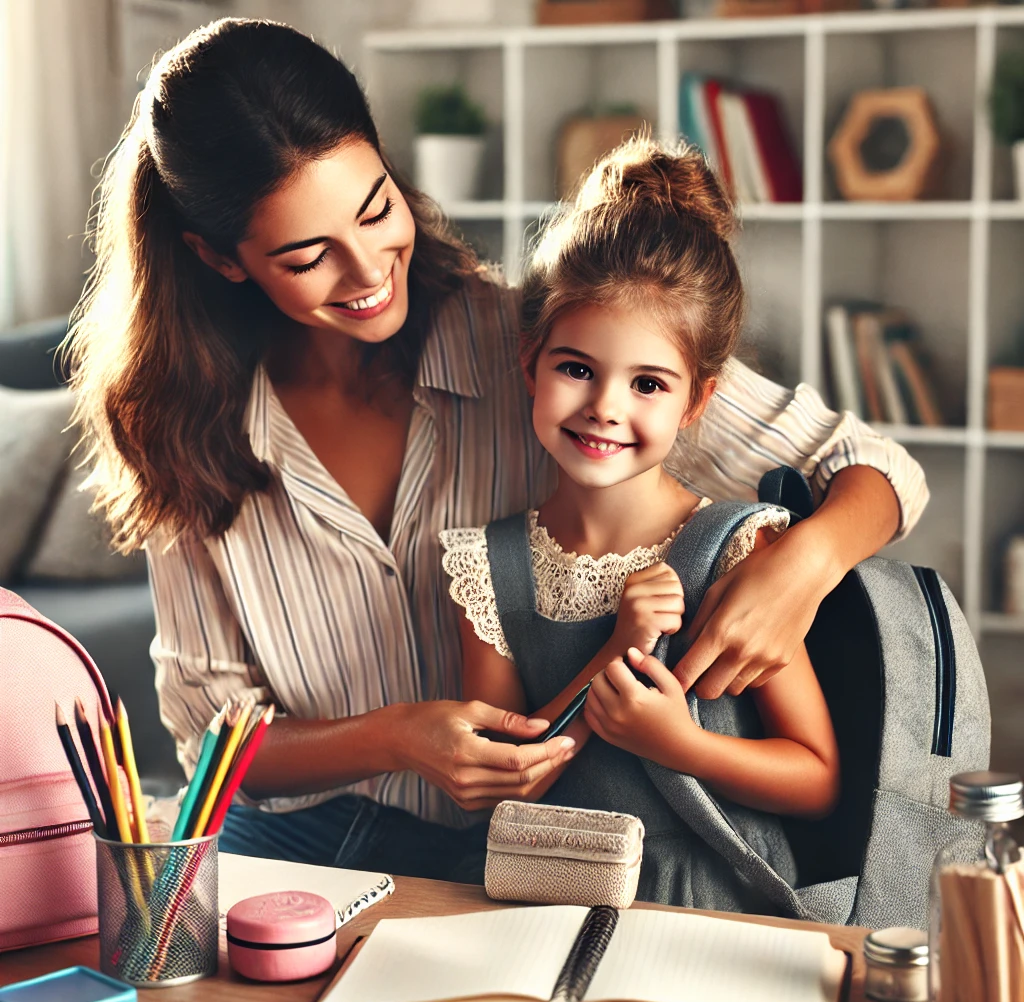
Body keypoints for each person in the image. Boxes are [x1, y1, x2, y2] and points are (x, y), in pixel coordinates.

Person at [64, 17, 925, 878]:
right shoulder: (175, 422)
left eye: (377, 211)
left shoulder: (541, 340)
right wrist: (396, 737)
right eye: (308, 255)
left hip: (514, 849)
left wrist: (797, 569)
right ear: (221, 259)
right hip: (287, 846)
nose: (368, 272)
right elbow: (212, 738)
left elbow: (874, 469)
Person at [440, 137, 840, 905]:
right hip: (541, 899)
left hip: (706, 904)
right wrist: (617, 652)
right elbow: (497, 784)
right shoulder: (482, 565)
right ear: (531, 364)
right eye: (577, 369)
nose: (605, 408)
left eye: (648, 383)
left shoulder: (741, 551)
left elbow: (816, 778)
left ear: (697, 401)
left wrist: (678, 744)